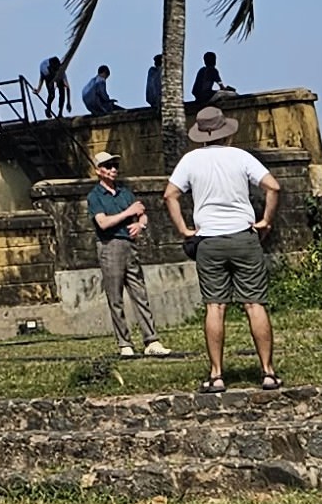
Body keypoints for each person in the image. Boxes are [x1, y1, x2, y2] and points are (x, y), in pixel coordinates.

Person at [164, 105, 282, 390]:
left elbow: (170, 194)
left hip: (209, 240)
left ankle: (216, 374)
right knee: (254, 304)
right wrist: (265, 220)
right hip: (243, 236)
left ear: (201, 135)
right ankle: (267, 371)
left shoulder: (191, 161)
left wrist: (183, 229)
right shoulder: (241, 157)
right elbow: (273, 187)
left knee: (215, 307)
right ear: (226, 133)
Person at [83, 149, 171, 354]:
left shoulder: (125, 192)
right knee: (115, 296)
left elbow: (142, 214)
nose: (113, 170)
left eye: (115, 166)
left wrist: (141, 225)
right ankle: (125, 343)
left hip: (129, 245)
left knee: (140, 292)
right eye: (108, 166)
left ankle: (151, 340)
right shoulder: (95, 196)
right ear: (98, 171)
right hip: (110, 245)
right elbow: (103, 223)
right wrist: (128, 214)